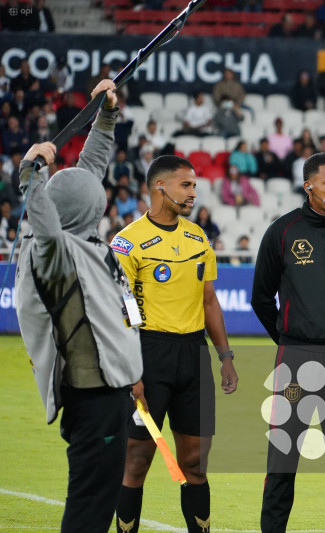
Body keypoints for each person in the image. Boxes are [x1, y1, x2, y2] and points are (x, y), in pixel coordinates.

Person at [15, 79, 143, 533]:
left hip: (106, 392)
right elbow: (46, 218)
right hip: (93, 397)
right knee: (90, 505)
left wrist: (104, 115)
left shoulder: (82, 242)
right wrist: (33, 173)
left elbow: (89, 171)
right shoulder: (54, 253)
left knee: (97, 498)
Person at [113, 154, 239, 533]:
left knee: (196, 463)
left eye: (195, 185)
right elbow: (122, 310)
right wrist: (131, 371)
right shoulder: (126, 243)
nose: (193, 192)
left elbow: (209, 300)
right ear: (159, 187)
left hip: (194, 356)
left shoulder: (198, 236)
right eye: (186, 185)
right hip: (148, 355)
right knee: (137, 459)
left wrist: (225, 356)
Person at [252, 153, 325, 533]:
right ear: (309, 186)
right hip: (296, 360)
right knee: (283, 464)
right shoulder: (283, 231)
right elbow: (260, 298)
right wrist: (288, 339)